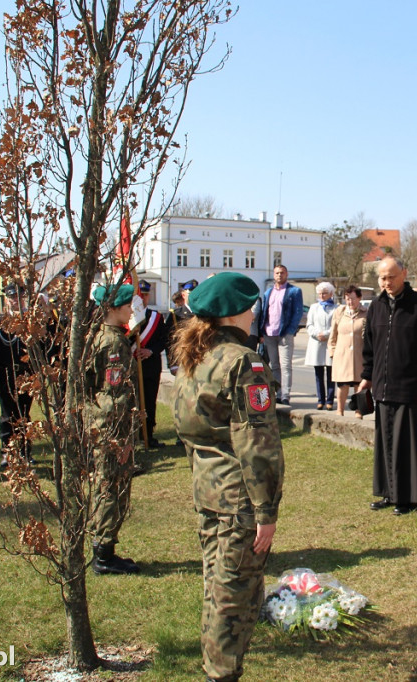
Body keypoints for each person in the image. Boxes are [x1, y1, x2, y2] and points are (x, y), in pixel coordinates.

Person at [170, 272, 283, 682]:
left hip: (208, 490)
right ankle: (221, 673)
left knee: (217, 583)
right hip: (240, 498)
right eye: (250, 307)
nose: (254, 314)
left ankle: (215, 667)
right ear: (235, 313)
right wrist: (266, 509)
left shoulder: (196, 356)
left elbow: (185, 426)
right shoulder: (243, 362)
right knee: (234, 595)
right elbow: (258, 443)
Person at [357, 255, 417, 515]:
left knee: (409, 446)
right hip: (383, 386)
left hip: (412, 387)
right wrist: (367, 376)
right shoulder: (377, 306)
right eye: (382, 277)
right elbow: (369, 345)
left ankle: (409, 496)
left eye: (391, 277)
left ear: (404, 274)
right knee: (385, 443)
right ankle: (389, 493)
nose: (387, 282)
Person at [86, 284, 141, 575]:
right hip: (111, 427)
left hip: (103, 424)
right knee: (111, 486)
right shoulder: (113, 343)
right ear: (112, 309)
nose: (131, 310)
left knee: (108, 484)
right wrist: (124, 436)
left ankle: (104, 550)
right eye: (127, 305)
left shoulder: (103, 337)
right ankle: (104, 555)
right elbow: (115, 393)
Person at [0, 284, 35, 469]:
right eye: (12, 297)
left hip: (26, 374)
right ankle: (7, 451)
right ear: (7, 298)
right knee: (8, 415)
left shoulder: (29, 319)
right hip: (6, 374)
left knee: (24, 413)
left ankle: (25, 451)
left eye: (19, 296)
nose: (15, 300)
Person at [260, 264, 303, 405]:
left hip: (284, 333)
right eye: (277, 273)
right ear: (273, 275)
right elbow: (265, 311)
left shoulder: (294, 291)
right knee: (274, 366)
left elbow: (297, 313)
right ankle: (277, 393)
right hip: (269, 333)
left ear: (287, 274)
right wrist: (262, 331)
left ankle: (285, 394)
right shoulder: (268, 292)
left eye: (282, 273)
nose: (279, 275)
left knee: (286, 365)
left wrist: (290, 330)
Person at [134, 280, 168, 448]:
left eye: (146, 295)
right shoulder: (129, 318)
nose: (144, 298)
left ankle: (149, 435)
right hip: (133, 365)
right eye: (141, 295)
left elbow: (163, 340)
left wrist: (150, 351)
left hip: (151, 364)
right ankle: (134, 436)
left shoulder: (156, 316)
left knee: (149, 400)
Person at [329, 286, 367, 417]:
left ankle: (359, 410)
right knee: (342, 384)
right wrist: (332, 352)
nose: (350, 302)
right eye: (347, 299)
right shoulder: (339, 312)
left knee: (359, 384)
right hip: (342, 355)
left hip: (359, 355)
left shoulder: (366, 313)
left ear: (359, 298)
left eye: (353, 298)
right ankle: (340, 410)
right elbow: (333, 334)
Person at [304, 281, 337, 410]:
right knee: (318, 374)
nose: (322, 296)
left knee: (331, 374)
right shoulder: (314, 307)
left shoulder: (336, 308)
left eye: (325, 293)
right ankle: (320, 399)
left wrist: (327, 334)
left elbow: (336, 325)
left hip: (330, 342)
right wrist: (317, 334)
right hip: (316, 342)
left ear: (331, 294)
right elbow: (309, 324)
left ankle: (329, 400)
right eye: (320, 293)